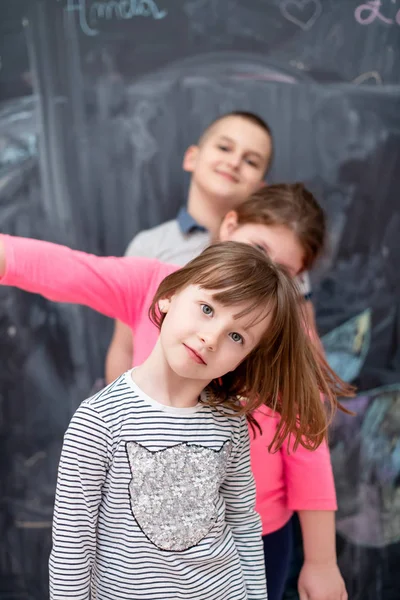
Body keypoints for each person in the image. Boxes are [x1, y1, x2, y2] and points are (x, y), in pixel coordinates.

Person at [0, 185, 350, 600]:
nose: (211, 338)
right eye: (259, 247)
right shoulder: (155, 284)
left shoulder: (278, 335)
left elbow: (306, 440)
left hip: (260, 531)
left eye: (285, 271)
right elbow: (68, 267)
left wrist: (322, 559)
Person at [106, 110, 278, 383]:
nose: (234, 162)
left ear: (260, 187)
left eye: (250, 161)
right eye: (224, 147)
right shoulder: (149, 245)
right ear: (192, 158)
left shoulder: (269, 258)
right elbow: (124, 345)